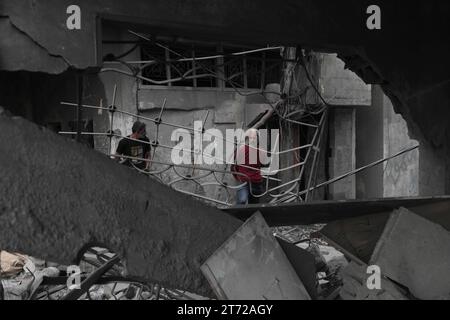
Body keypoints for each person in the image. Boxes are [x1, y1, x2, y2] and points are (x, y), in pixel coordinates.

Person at [233, 128, 266, 205]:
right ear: (247, 139)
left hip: (256, 182)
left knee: (253, 205)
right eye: (251, 138)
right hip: (243, 181)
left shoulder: (261, 151)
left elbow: (263, 164)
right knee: (242, 201)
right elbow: (234, 165)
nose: (253, 140)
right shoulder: (241, 150)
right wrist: (238, 177)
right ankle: (239, 216)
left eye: (254, 138)